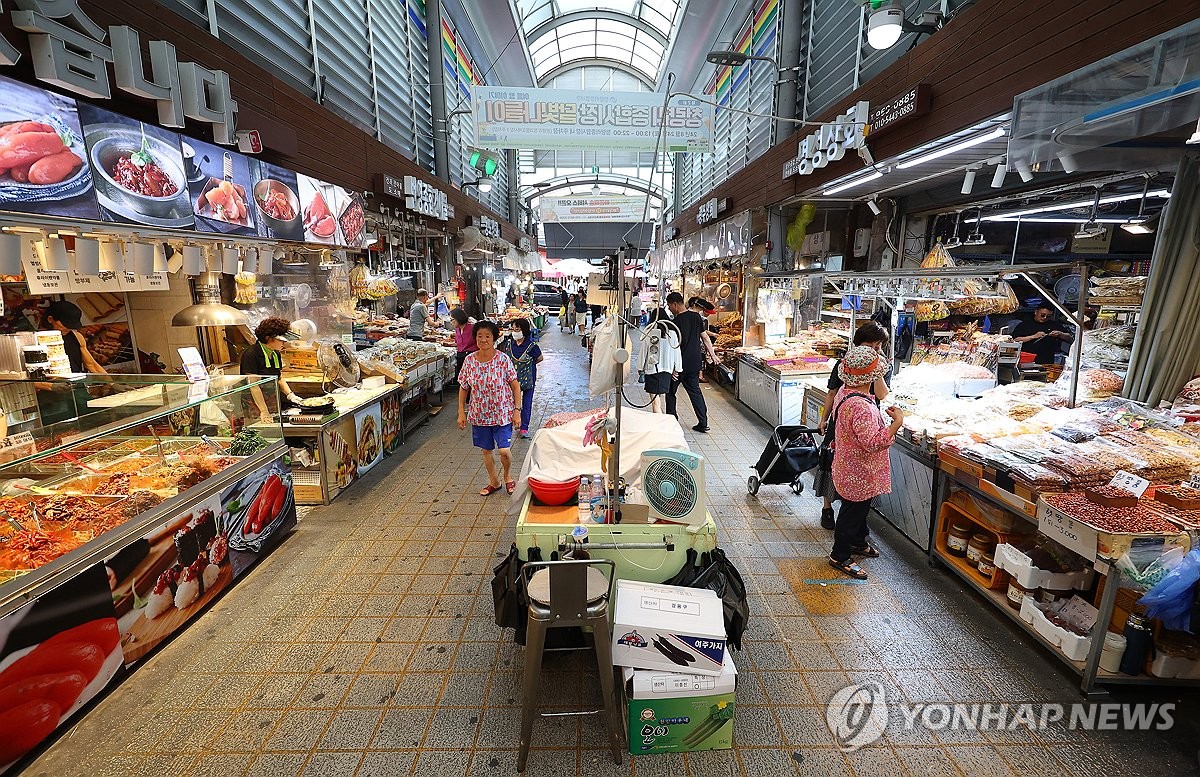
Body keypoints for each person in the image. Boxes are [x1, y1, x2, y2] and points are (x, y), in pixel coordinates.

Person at [827, 345, 904, 580]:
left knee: (860, 509)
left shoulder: (845, 393)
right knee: (852, 513)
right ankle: (840, 555)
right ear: (870, 377)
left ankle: (859, 541)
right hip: (859, 471)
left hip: (848, 465)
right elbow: (872, 442)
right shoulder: (861, 407)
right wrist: (897, 422)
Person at [816, 321, 890, 530]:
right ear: (859, 343)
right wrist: (824, 418)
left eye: (879, 346)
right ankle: (827, 508)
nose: (876, 350)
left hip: (864, 422)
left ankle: (856, 516)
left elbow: (882, 394)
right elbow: (831, 392)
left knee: (859, 470)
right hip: (841, 421)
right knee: (832, 464)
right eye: (872, 345)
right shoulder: (843, 364)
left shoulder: (880, 365)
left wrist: (876, 369)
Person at [457, 320, 522, 495]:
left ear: (494, 338)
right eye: (479, 336)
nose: (483, 339)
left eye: (487, 336)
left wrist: (517, 411)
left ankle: (508, 477)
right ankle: (494, 482)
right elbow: (464, 387)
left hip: (502, 414)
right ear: (475, 338)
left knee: (504, 451)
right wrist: (461, 412)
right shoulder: (469, 360)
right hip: (479, 414)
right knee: (486, 450)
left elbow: (516, 387)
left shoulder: (503, 359)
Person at [240, 316, 302, 424]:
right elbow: (253, 385)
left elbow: (279, 378)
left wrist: (291, 395)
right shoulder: (251, 354)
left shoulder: (275, 353)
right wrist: (263, 411)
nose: (284, 343)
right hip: (254, 403)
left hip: (271, 399)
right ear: (268, 338)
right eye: (281, 340)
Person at [664, 291, 709, 433]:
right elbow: (705, 338)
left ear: (675, 304)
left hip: (679, 364)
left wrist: (672, 367)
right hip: (694, 363)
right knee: (695, 392)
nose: (669, 308)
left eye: (669, 305)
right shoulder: (697, 317)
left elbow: (672, 346)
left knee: (670, 392)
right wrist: (712, 355)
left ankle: (672, 421)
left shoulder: (674, 323)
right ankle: (703, 423)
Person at [503, 318, 543, 438]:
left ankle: (524, 427)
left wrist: (528, 365)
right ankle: (511, 422)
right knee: (511, 402)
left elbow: (540, 358)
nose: (515, 331)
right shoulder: (509, 344)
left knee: (527, 403)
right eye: (514, 328)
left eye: (518, 329)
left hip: (528, 379)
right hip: (512, 380)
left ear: (524, 330)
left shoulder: (532, 346)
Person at [44, 301, 107, 375]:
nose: (68, 328)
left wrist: (112, 383)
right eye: (65, 324)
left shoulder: (77, 337)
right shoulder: (38, 341)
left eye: (71, 326)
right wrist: (52, 386)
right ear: (50, 319)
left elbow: (91, 365)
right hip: (54, 383)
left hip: (76, 381)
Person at [637, 308, 681, 413]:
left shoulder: (649, 332)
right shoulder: (672, 333)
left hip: (652, 370)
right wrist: (677, 368)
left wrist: (640, 367)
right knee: (660, 398)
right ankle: (660, 421)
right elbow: (677, 352)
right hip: (667, 370)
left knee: (655, 401)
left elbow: (644, 351)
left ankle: (659, 423)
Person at [450, 307, 477, 386]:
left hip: (471, 356)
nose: (451, 322)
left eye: (452, 320)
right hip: (460, 356)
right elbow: (458, 343)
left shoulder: (472, 328)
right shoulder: (457, 329)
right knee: (462, 381)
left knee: (471, 380)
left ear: (459, 318)